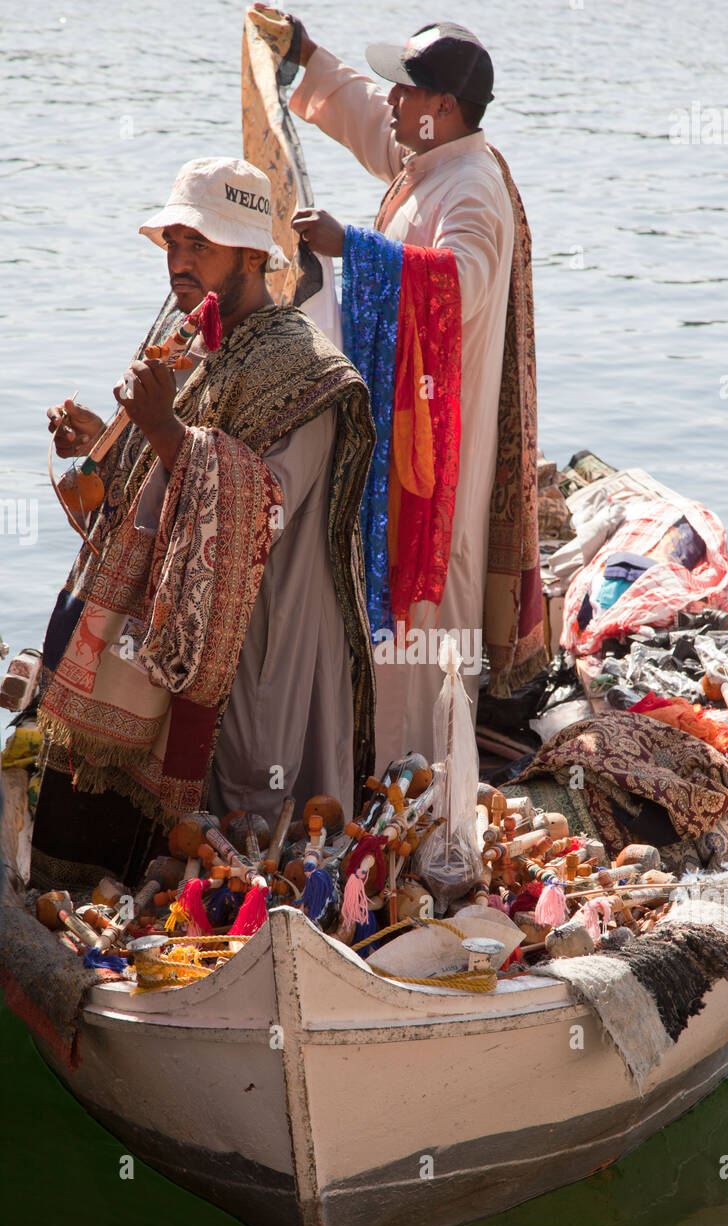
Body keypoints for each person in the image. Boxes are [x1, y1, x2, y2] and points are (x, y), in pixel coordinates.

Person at [33, 156, 376, 890]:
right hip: (183, 620)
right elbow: (164, 466)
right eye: (174, 246)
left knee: (254, 807)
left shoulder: (310, 372)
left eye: (201, 248)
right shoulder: (196, 336)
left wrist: (161, 432)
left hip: (268, 626)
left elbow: (265, 506)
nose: (180, 265)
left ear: (253, 257)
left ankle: (244, 911)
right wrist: (107, 441)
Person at [286, 17, 546, 772]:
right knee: (395, 591)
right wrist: (308, 57)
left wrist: (353, 249)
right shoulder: (432, 161)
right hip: (408, 419)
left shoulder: (474, 191)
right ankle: (377, 760)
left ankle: (422, 777)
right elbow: (369, 114)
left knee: (426, 593)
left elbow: (456, 283)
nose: (393, 101)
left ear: (447, 106)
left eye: (408, 89)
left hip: (439, 441)